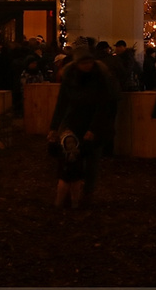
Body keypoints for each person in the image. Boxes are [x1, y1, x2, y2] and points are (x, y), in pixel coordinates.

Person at [46, 43, 118, 205]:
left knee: (92, 161)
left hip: (95, 123)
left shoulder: (100, 78)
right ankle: (70, 194)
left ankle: (86, 194)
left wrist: (93, 129)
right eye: (84, 63)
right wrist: (54, 127)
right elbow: (62, 103)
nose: (87, 66)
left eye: (89, 62)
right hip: (74, 121)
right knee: (70, 159)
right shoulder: (70, 77)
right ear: (77, 64)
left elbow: (103, 106)